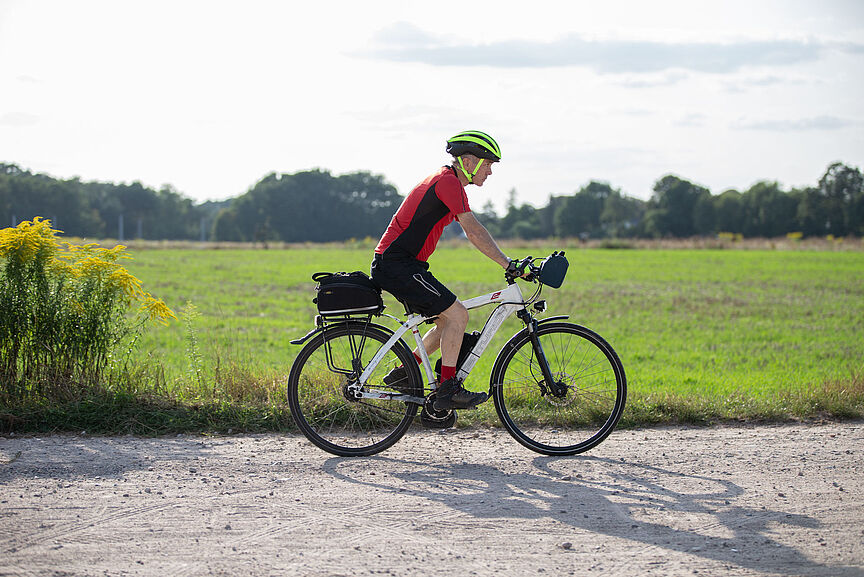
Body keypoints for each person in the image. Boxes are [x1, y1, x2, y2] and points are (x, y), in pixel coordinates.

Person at [370, 130, 520, 411]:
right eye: (488, 164)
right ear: (469, 161)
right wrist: (508, 264)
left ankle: (403, 373)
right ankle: (447, 390)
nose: (489, 172)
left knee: (446, 321)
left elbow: (472, 232)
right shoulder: (448, 182)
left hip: (403, 264)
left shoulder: (448, 182)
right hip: (397, 264)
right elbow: (474, 231)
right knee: (458, 315)